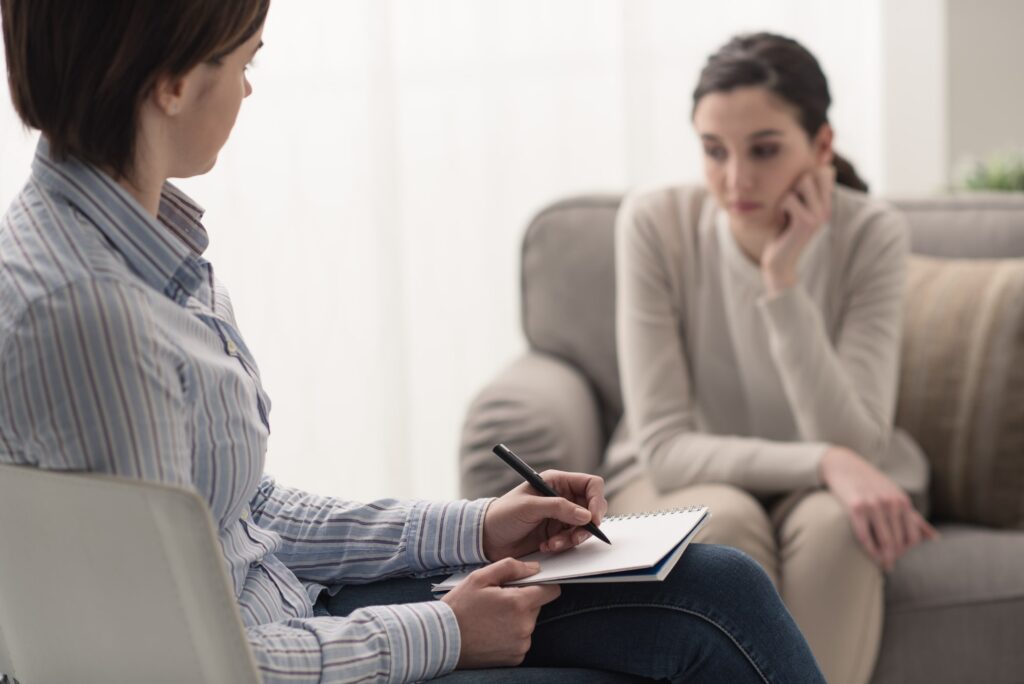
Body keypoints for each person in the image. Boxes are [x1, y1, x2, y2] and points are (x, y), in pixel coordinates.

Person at [0, 4, 826, 683]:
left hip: (288, 613)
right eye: (245, 59)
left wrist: (479, 528)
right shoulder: (88, 315)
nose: (250, 89)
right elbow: (160, 665)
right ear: (173, 84)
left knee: (719, 587)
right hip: (272, 656)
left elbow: (242, 512)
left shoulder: (142, 249)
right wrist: (441, 632)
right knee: (696, 630)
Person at [607, 32, 938, 684]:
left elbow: (854, 438)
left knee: (845, 528)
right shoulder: (653, 224)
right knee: (722, 520)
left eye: (763, 150)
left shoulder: (872, 232)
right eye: (713, 151)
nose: (736, 180)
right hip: (685, 477)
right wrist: (826, 461)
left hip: (829, 482)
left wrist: (781, 283)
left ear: (821, 146)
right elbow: (668, 448)